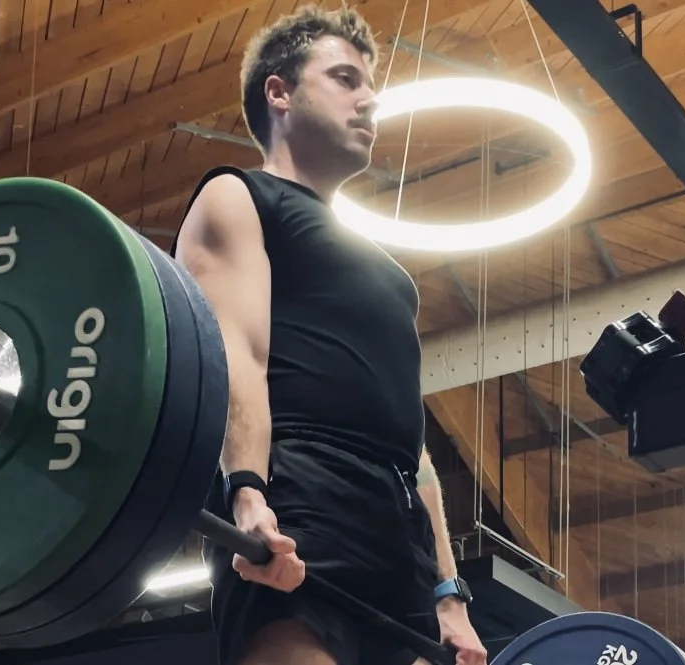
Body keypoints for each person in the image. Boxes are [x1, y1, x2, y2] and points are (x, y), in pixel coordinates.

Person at [172, 4, 487, 665]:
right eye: (345, 78)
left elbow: (416, 449)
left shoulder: (389, 275)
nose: (369, 100)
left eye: (371, 85)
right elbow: (238, 360)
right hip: (298, 498)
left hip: (394, 526)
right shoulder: (238, 197)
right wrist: (248, 494)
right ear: (279, 92)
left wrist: (448, 593)